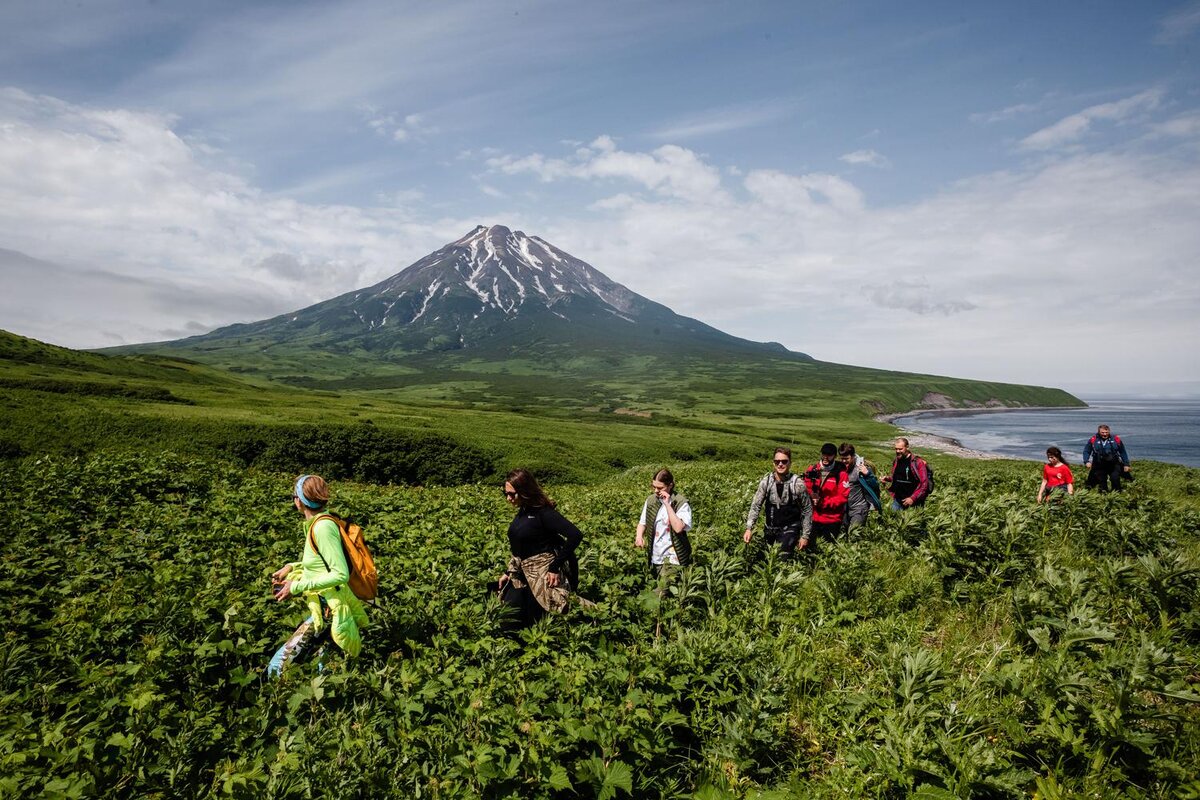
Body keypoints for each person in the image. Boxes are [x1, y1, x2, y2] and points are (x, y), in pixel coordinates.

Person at [269, 474, 369, 676]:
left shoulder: (323, 527)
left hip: (328, 609)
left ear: (299, 501)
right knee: (323, 671)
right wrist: (291, 567)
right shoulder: (319, 523)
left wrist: (295, 586)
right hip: (327, 606)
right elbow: (321, 563)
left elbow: (339, 573)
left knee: (277, 668)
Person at [495, 468, 583, 630]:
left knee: (537, 622)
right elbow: (521, 547)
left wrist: (554, 567)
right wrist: (508, 573)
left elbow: (575, 535)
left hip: (541, 575)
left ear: (524, 491)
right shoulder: (522, 512)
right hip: (522, 574)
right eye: (505, 494)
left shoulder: (543, 513)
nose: (508, 498)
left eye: (512, 494)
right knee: (508, 620)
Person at [744, 447, 814, 557]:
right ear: (773, 463)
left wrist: (805, 536)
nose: (780, 464)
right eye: (777, 461)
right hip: (770, 529)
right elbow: (756, 505)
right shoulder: (766, 482)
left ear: (790, 463)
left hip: (790, 528)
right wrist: (749, 528)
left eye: (784, 461)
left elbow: (807, 509)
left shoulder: (798, 484)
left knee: (781, 557)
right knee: (764, 559)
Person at [634, 468, 693, 575]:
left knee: (663, 585)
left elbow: (678, 528)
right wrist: (639, 537)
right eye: (654, 487)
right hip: (655, 556)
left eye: (660, 488)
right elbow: (642, 523)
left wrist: (667, 504)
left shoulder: (680, 502)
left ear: (670, 485)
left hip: (674, 558)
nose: (656, 491)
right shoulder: (651, 500)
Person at [804, 443, 851, 542]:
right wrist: (812, 496)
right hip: (813, 517)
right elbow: (806, 488)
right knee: (810, 546)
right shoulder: (812, 470)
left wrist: (823, 502)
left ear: (835, 456)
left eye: (829, 455)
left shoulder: (841, 473)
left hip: (832, 519)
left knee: (828, 547)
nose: (825, 457)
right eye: (824, 454)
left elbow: (842, 497)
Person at [838, 443, 879, 532]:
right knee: (844, 532)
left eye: (846, 459)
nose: (844, 461)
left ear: (853, 456)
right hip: (844, 509)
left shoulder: (862, 468)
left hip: (859, 508)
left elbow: (875, 485)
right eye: (842, 459)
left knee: (853, 533)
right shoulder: (839, 468)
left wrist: (867, 474)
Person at [882, 437, 931, 511]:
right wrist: (888, 479)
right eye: (896, 449)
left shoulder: (918, 462)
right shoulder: (896, 461)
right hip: (898, 500)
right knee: (892, 517)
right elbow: (898, 477)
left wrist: (912, 498)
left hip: (915, 502)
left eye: (900, 449)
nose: (897, 451)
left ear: (907, 447)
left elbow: (924, 484)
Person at [1083, 424, 1130, 493]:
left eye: (1106, 432)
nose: (1105, 434)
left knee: (1115, 479)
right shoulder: (1093, 440)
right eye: (1102, 432)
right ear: (1099, 432)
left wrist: (1126, 464)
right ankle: (1103, 494)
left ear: (1109, 431)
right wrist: (1086, 461)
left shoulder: (1116, 439)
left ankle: (1117, 494)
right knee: (1102, 482)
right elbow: (1087, 451)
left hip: (1113, 464)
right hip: (1099, 464)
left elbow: (1122, 452)